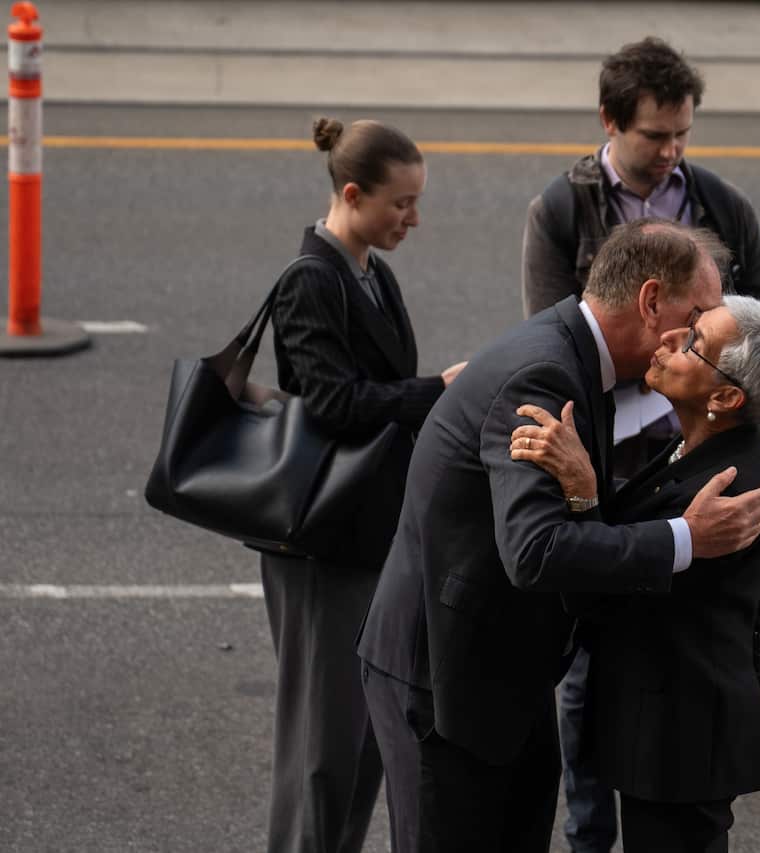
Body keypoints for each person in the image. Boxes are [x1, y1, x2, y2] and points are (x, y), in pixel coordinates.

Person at [356, 219, 760, 853]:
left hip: (502, 669)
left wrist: (587, 492)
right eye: (696, 316)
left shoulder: (576, 358)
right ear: (651, 300)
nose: (695, 333)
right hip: (445, 677)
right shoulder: (545, 375)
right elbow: (535, 550)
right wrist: (685, 538)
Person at [520, 37, 760, 852]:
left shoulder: (719, 203)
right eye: (654, 135)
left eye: (682, 135)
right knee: (591, 674)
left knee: (648, 625)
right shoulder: (562, 209)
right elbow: (555, 343)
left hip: (673, 451)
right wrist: (667, 370)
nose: (671, 151)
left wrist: (686, 374)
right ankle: (591, 829)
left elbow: (758, 316)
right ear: (610, 122)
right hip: (619, 447)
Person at [509, 294, 760, 853]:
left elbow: (597, 591)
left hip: (683, 743)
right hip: (669, 724)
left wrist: (581, 490)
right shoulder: (702, 443)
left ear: (724, 397)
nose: (671, 339)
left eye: (694, 344)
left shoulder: (729, 491)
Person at [262, 117, 465, 853]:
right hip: (323, 537)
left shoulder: (370, 271)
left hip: (367, 527)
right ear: (353, 194)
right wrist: (434, 391)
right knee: (323, 747)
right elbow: (334, 401)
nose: (414, 218)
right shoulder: (312, 280)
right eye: (401, 203)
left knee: (364, 745)